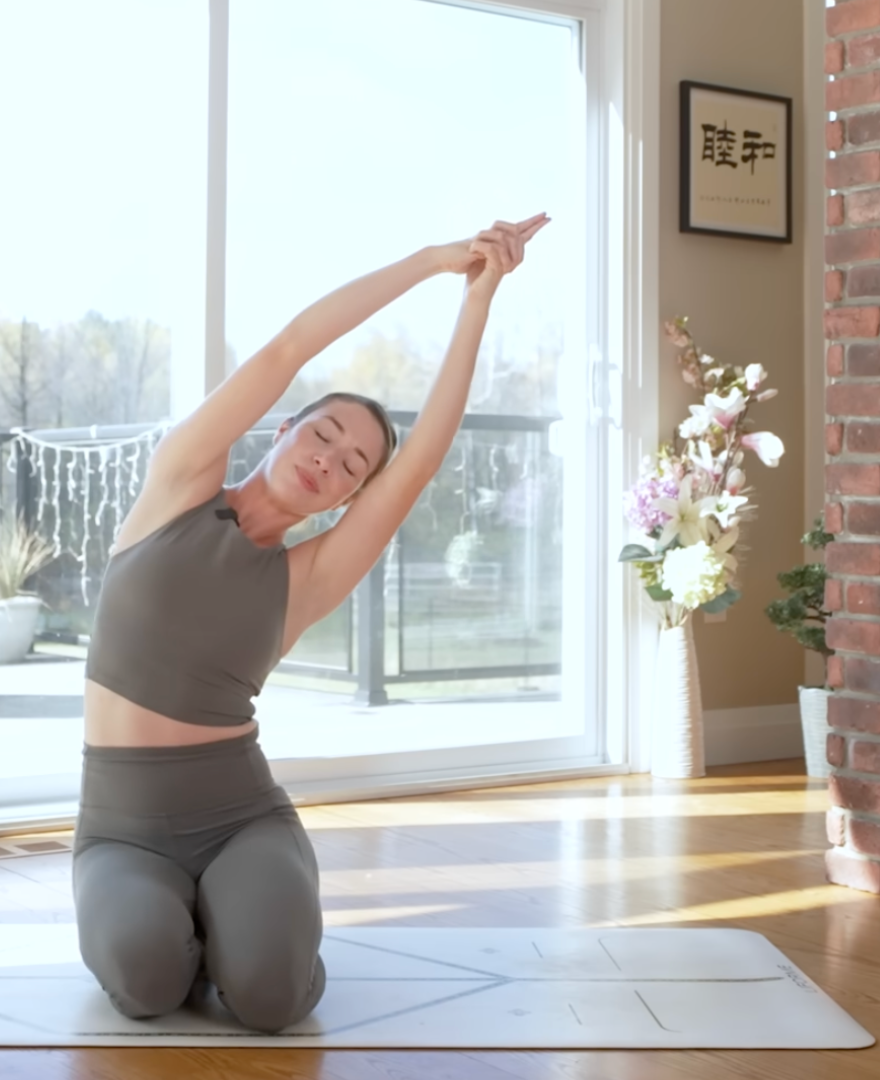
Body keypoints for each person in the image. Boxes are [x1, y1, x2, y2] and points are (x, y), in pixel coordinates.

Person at [74, 214, 551, 1033]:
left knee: (270, 1000)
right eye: (322, 431)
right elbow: (288, 346)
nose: (329, 456)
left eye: (352, 464)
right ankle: (189, 934)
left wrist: (480, 298)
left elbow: (425, 457)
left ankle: (251, 933)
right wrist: (432, 261)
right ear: (283, 428)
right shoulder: (178, 486)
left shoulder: (308, 578)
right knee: (144, 979)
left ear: (345, 498)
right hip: (121, 829)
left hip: (239, 818)